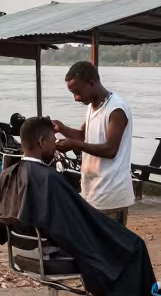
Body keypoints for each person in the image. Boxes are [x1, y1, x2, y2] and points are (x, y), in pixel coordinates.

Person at [0, 116, 157, 296]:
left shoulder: (7, 173)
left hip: (25, 252)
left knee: (103, 245)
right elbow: (78, 224)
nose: (55, 145)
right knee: (132, 246)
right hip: (51, 254)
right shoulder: (48, 179)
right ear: (41, 142)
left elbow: (1, 220)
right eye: (52, 140)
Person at [51, 61, 135, 224]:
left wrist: (73, 145)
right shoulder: (91, 107)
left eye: (77, 92)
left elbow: (110, 150)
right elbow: (85, 137)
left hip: (111, 196)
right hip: (91, 193)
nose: (76, 98)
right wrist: (62, 128)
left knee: (109, 249)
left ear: (91, 84)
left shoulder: (116, 109)